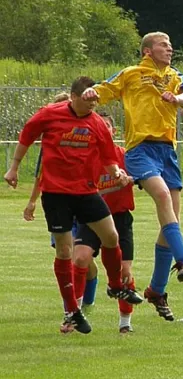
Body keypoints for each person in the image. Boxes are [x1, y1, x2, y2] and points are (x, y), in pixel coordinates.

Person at [4, 76, 142, 334]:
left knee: (111, 236)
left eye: (95, 102)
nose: (92, 106)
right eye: (88, 101)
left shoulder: (97, 123)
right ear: (74, 97)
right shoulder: (50, 114)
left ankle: (114, 285)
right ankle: (72, 310)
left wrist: (117, 172)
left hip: (86, 191)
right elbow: (27, 135)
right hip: (56, 194)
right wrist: (13, 168)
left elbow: (108, 155)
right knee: (65, 252)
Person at [81, 31, 183, 321]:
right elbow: (104, 90)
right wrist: (91, 92)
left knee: (172, 220)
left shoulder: (173, 74)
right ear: (147, 50)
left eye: (170, 44)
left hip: (167, 150)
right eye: (163, 45)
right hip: (140, 149)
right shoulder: (132, 74)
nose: (169, 48)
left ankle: (157, 290)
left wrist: (177, 98)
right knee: (162, 196)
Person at [23, 91, 99, 312]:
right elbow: (41, 175)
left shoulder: (82, 136)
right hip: (59, 204)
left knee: (80, 257)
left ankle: (83, 304)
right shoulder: (50, 145)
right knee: (68, 255)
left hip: (82, 204)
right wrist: (32, 202)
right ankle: (77, 305)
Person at [73, 114, 138, 334]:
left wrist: (129, 178)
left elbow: (140, 176)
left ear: (112, 132)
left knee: (125, 272)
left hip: (119, 218)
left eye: (107, 126)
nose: (103, 130)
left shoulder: (124, 156)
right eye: (100, 126)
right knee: (80, 258)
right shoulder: (87, 157)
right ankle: (74, 314)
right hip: (92, 217)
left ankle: (125, 323)